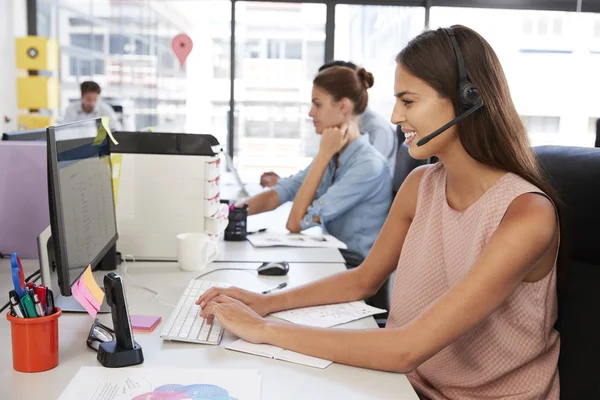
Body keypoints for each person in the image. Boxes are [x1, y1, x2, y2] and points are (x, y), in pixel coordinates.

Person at [197, 25, 562, 399]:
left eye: (408, 101)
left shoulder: (526, 214)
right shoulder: (421, 185)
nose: (393, 116)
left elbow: (406, 349)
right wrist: (264, 303)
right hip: (405, 386)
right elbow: (362, 281)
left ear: (468, 99)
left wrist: (264, 330)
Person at [240, 65, 392, 263]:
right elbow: (281, 193)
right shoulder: (336, 153)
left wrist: (323, 154)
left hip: (353, 266)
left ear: (343, 107)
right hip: (333, 257)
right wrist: (227, 214)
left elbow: (295, 223)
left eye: (317, 104)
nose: (311, 113)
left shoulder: (368, 165)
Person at [260, 61, 397, 187]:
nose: (311, 113)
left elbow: (357, 179)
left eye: (318, 104)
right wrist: (285, 184)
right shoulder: (338, 138)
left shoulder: (376, 130)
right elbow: (319, 178)